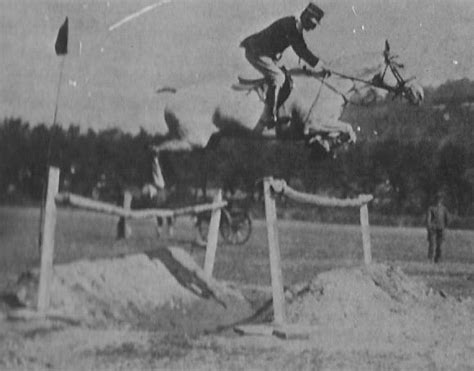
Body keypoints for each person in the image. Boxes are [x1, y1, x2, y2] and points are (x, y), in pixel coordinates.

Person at [240, 2, 329, 129]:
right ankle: (268, 116)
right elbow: (300, 49)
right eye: (313, 23)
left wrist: (313, 67)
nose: (313, 27)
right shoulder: (290, 25)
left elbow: (301, 48)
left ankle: (279, 112)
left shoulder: (295, 28)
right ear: (306, 17)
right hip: (256, 51)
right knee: (278, 77)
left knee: (287, 79)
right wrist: (319, 64)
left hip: (264, 53)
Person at [426, 193, 450, 263]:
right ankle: (430, 259)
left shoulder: (444, 209)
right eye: (437, 199)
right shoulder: (431, 208)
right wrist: (429, 227)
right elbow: (428, 219)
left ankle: (438, 260)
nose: (438, 200)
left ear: (441, 200)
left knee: (440, 246)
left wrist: (445, 227)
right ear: (435, 199)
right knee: (432, 245)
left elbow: (447, 219)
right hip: (433, 229)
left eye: (440, 199)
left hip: (441, 229)